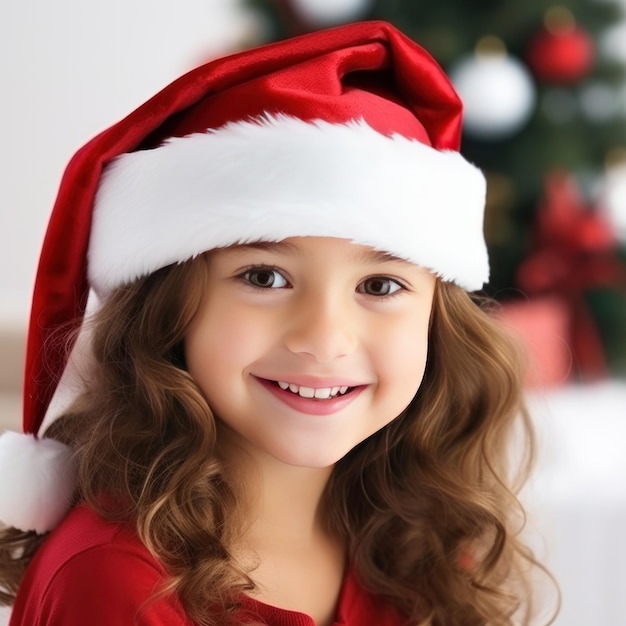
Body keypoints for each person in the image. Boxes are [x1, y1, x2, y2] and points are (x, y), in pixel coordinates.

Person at [0, 20, 549, 626]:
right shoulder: (116, 586)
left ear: (436, 323)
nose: (323, 339)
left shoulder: (419, 538)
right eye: (265, 277)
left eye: (381, 285)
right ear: (171, 308)